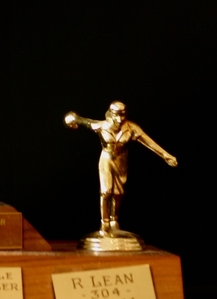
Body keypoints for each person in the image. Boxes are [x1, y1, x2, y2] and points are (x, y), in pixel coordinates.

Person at [65, 101, 177, 235]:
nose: (119, 119)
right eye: (116, 115)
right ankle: (105, 222)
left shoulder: (131, 128)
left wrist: (166, 155)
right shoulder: (101, 126)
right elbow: (84, 121)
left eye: (122, 115)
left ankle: (114, 220)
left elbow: (148, 142)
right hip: (106, 160)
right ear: (110, 114)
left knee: (118, 193)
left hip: (121, 160)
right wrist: (73, 119)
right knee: (106, 191)